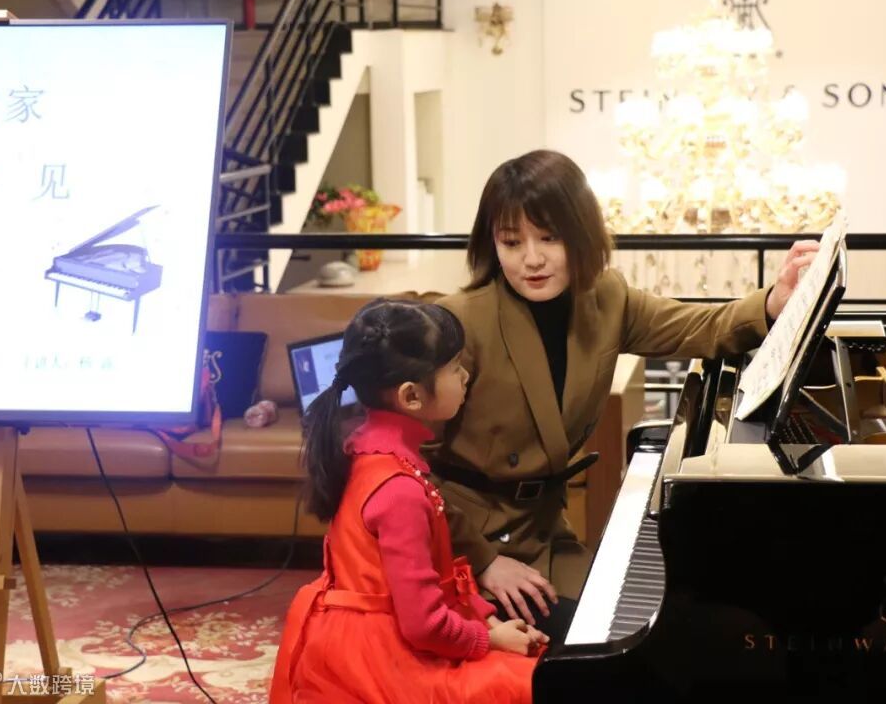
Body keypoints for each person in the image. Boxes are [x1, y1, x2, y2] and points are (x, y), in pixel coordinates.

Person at [431, 149, 820, 640]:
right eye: (512, 242)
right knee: (630, 645)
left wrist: (773, 302)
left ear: (580, 233)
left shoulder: (606, 298)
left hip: (544, 531)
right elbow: (405, 467)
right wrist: (484, 561)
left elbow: (697, 327)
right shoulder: (460, 321)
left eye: (549, 237)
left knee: (679, 623)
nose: (531, 258)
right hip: (464, 545)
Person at [270, 299, 548, 704]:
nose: (465, 376)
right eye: (454, 368)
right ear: (412, 396)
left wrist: (490, 625)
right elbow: (423, 625)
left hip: (369, 639)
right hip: (384, 660)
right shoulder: (399, 491)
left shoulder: (365, 448)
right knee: (531, 684)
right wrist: (489, 639)